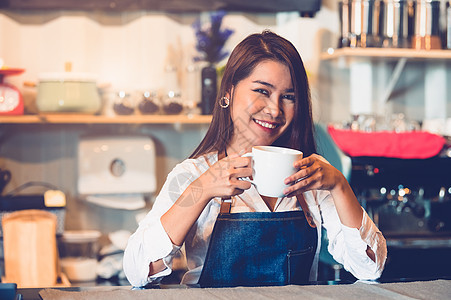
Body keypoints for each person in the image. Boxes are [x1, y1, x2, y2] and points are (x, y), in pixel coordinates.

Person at [123, 30, 387, 288]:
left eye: (288, 97)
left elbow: (370, 268)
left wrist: (339, 185)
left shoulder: (313, 179)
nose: (274, 109)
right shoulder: (193, 175)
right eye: (262, 91)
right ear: (228, 92)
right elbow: (139, 271)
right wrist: (201, 190)